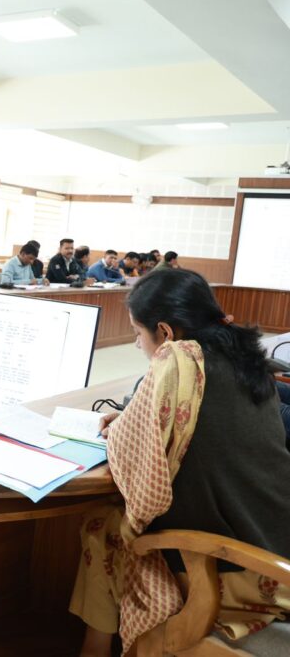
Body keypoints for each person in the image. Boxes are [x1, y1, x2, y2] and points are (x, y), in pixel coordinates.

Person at [70, 269, 290, 656]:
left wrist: (124, 425)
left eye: (138, 334)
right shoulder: (248, 362)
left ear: (165, 333)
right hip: (279, 548)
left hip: (243, 573)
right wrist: (135, 414)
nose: (137, 344)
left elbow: (138, 474)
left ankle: (97, 649)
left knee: (104, 526)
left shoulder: (177, 362)